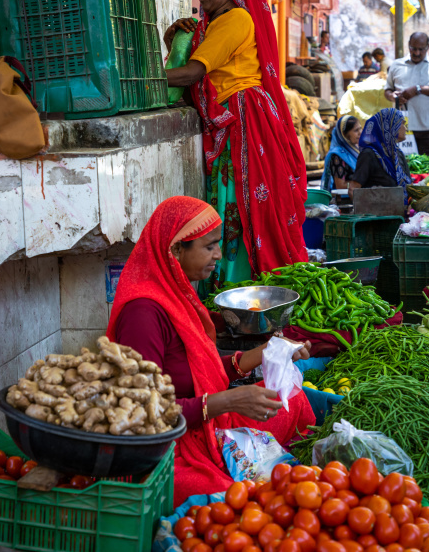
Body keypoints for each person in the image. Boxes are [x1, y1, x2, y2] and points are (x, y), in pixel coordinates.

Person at [107, 196, 315, 506]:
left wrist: (268, 351)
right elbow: (142, 411)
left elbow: (197, 368)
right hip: (169, 447)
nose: (218, 254)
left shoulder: (177, 292)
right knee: (224, 496)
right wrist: (229, 400)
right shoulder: (143, 314)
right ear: (176, 249)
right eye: (209, 247)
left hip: (209, 426)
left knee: (293, 401)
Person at [164, 0, 308, 288]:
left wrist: (136, 79)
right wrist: (173, 40)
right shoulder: (213, 25)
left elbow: (194, 73)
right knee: (233, 204)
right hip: (236, 121)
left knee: (239, 205)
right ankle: (235, 286)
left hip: (245, 124)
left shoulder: (235, 19)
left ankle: (238, 286)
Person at [384, 32, 429, 159]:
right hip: (403, 130)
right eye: (413, 48)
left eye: (421, 49)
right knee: (405, 168)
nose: (417, 53)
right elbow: (388, 90)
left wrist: (418, 89)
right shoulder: (396, 65)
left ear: (428, 47)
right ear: (409, 45)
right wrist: (393, 96)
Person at [349, 109, 411, 201]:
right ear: (390, 126)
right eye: (402, 124)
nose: (405, 128)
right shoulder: (369, 155)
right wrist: (366, 212)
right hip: (377, 213)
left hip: (400, 211)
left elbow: (410, 186)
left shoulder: (398, 153)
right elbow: (353, 189)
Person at [321, 115, 362, 192]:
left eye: (360, 128)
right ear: (344, 135)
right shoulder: (338, 155)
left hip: (358, 196)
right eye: (356, 130)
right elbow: (340, 185)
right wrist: (361, 183)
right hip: (345, 199)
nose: (360, 133)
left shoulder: (357, 150)